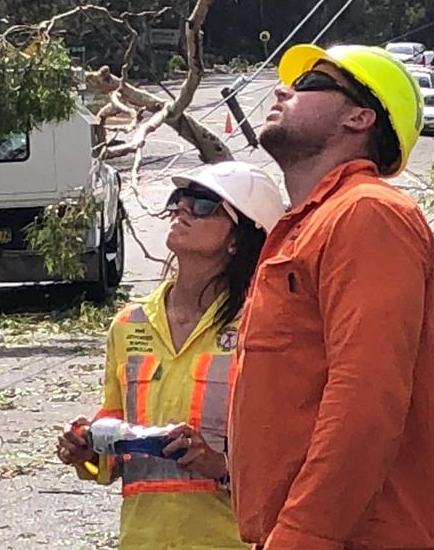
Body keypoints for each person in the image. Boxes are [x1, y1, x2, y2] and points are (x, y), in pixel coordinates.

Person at [228, 44, 434, 550]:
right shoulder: (311, 222)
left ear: (360, 116)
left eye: (308, 84)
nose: (282, 89)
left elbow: (366, 395)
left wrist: (304, 535)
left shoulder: (367, 213)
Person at [56, 161, 287, 550]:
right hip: (142, 540)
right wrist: (85, 449)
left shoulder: (263, 328)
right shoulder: (129, 325)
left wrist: (221, 466)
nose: (181, 209)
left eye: (202, 204)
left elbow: (286, 453)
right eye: (178, 200)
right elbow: (115, 446)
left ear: (240, 237)